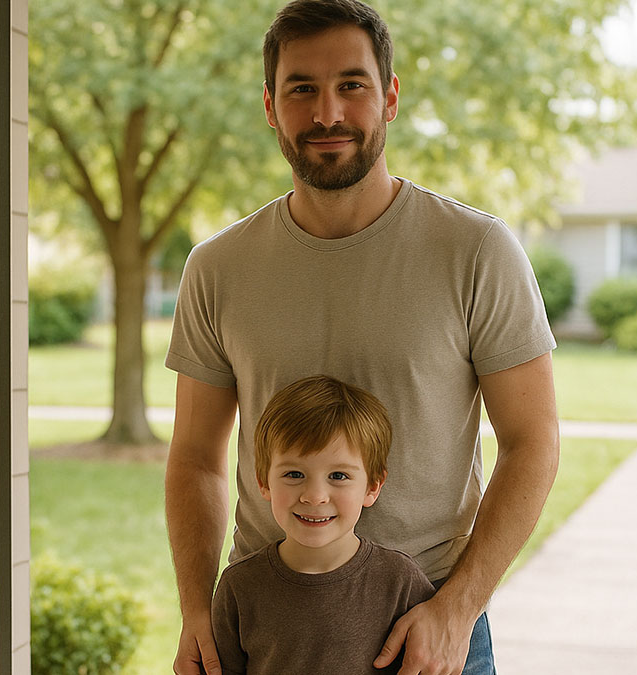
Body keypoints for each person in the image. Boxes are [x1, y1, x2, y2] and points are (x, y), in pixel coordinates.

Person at [164, 1, 560, 674]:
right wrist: (199, 611)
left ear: (390, 97)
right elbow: (197, 456)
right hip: (265, 630)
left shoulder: (476, 250)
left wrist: (459, 608)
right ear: (269, 104)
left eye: (352, 85)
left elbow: (534, 442)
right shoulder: (218, 267)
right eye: (301, 89)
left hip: (428, 630)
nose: (328, 114)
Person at [210, 375, 436, 674]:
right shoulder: (238, 587)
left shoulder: (400, 582)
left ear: (372, 487)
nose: (315, 497)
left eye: (338, 476)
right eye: (294, 474)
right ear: (264, 481)